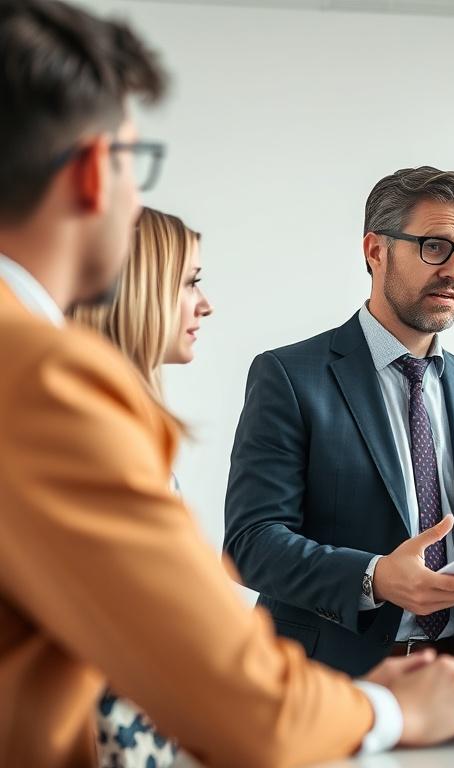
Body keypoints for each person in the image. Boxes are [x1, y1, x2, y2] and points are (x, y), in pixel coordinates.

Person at [0, 3, 454, 766]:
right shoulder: (40, 376)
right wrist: (390, 706)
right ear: (94, 173)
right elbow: (207, 665)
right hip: (318, 700)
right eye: (140, 164)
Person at [223, 167, 454, 679]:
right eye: (434, 246)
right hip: (326, 681)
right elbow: (252, 543)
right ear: (375, 251)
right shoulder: (290, 376)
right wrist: (374, 577)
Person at [71, 207, 212, 767]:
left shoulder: (130, 433)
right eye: (190, 282)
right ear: (139, 290)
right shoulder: (100, 441)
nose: (205, 303)